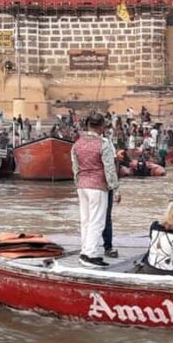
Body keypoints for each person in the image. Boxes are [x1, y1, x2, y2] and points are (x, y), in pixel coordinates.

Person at [71, 112, 120, 268]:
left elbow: (75, 167)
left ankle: (85, 250)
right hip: (98, 187)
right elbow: (109, 169)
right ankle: (90, 254)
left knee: (85, 220)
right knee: (97, 221)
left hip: (82, 186)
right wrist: (115, 189)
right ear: (101, 127)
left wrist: (78, 182)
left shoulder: (77, 144)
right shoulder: (103, 144)